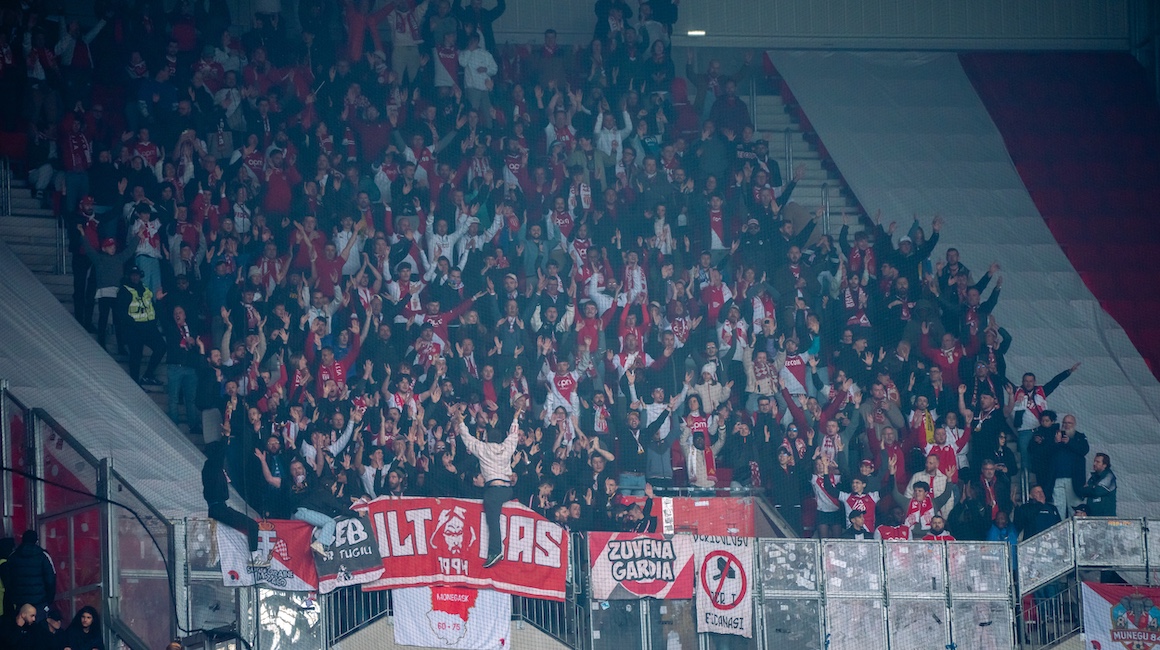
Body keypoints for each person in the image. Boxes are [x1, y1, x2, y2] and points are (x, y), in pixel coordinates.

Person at [456, 398, 526, 567]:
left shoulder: (483, 448)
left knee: (492, 520)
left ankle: (496, 551)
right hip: (508, 490)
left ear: (487, 439)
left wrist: (460, 421)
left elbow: (466, 437)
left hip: (494, 491)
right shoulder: (507, 446)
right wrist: (515, 416)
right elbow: (514, 434)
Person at [202, 441, 266, 567]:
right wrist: (225, 437)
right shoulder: (212, 465)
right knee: (252, 525)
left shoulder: (210, 468)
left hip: (218, 507)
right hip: (218, 508)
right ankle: (253, 557)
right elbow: (220, 453)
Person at [0, 531, 56, 615]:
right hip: (40, 603)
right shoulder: (43, 556)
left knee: (21, 626)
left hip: (20, 603)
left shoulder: (13, 556)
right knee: (40, 626)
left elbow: (8, 582)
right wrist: (48, 600)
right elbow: (51, 580)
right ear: (36, 541)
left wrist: (14, 598)